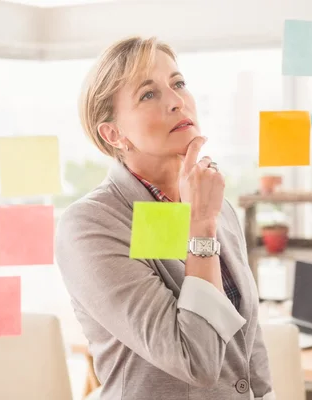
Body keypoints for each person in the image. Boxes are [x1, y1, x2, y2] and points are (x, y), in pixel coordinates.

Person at [55, 36, 275, 400]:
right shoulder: (91, 225)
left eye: (178, 84)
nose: (176, 101)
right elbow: (196, 362)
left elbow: (248, 342)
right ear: (114, 134)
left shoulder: (214, 203)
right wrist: (201, 226)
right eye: (148, 94)